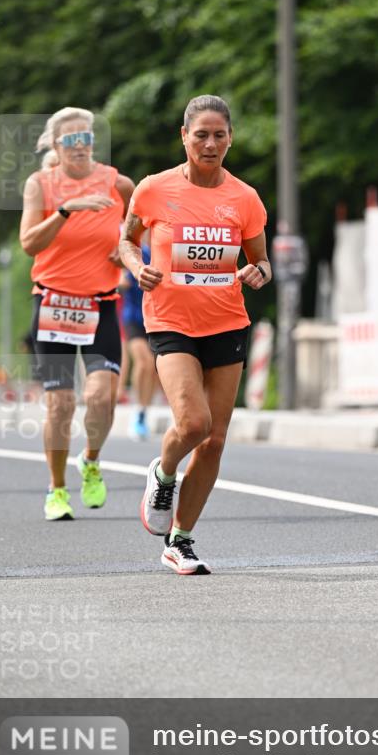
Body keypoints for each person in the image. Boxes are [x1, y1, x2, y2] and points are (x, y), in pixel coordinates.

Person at [120, 94, 270, 575]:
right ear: (183, 137)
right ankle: (163, 473)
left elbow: (262, 260)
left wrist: (257, 273)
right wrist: (135, 266)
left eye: (219, 135)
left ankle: (179, 540)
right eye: (200, 134)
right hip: (170, 320)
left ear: (230, 139)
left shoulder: (244, 198)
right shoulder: (153, 190)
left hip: (227, 322)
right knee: (194, 423)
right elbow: (126, 239)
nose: (210, 144)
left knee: (216, 440)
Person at [19, 107, 134, 520]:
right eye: (71, 139)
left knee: (101, 398)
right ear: (56, 146)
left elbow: (143, 224)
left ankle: (90, 461)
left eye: (86, 136)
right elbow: (29, 243)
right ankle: (57, 488)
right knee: (60, 404)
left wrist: (125, 248)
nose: (81, 145)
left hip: (100, 304)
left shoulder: (116, 181)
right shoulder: (41, 184)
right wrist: (67, 210)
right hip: (53, 303)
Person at [119, 239, 158, 440]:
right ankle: (137, 411)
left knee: (153, 369)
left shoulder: (161, 252)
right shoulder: (131, 252)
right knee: (144, 361)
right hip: (133, 317)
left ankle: (143, 411)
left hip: (155, 317)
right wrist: (121, 281)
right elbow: (119, 279)